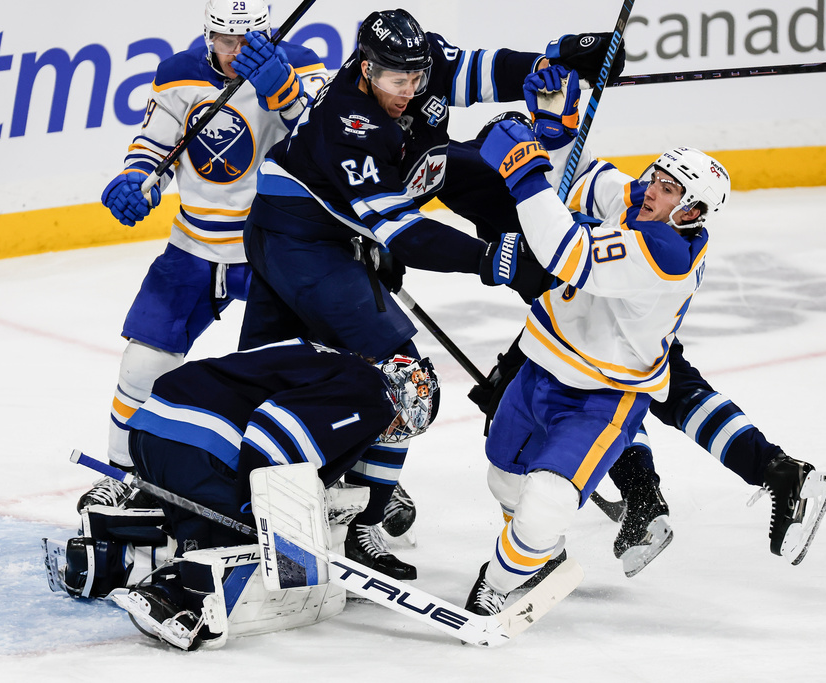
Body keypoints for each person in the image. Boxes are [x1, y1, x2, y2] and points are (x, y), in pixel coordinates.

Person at [236, 8, 624, 579]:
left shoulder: (414, 66)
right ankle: (357, 522)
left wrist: (554, 60)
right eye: (397, 81)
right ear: (365, 69)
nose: (410, 89)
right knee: (403, 376)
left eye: (417, 77)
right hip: (300, 239)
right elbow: (402, 230)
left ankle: (314, 483)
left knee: (277, 368)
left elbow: (482, 72)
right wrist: (488, 258)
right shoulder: (351, 124)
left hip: (333, 226)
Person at [460, 62, 731, 616]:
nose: (653, 188)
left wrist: (523, 171)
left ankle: (498, 581)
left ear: (693, 211)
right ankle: (541, 556)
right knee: (504, 481)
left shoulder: (667, 254)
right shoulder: (636, 199)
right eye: (657, 175)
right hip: (538, 369)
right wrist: (552, 130)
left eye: (671, 188)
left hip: (604, 395)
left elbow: (565, 251)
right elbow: (576, 175)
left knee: (547, 500)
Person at [78, 0, 328, 511]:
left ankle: (327, 476)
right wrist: (135, 179)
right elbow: (155, 145)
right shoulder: (178, 74)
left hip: (274, 251)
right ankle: (122, 472)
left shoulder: (303, 66)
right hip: (194, 247)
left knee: (298, 372)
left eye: (246, 42)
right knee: (142, 363)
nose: (234, 54)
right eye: (224, 42)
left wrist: (285, 93)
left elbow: (321, 151)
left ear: (267, 33)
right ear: (208, 34)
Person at [112, 338, 440, 650]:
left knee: (199, 528)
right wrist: (259, 510)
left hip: (151, 428)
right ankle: (172, 596)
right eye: (407, 421)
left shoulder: (336, 361)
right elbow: (275, 430)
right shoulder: (373, 395)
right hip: (199, 443)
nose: (394, 430)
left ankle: (145, 572)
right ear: (404, 398)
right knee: (253, 540)